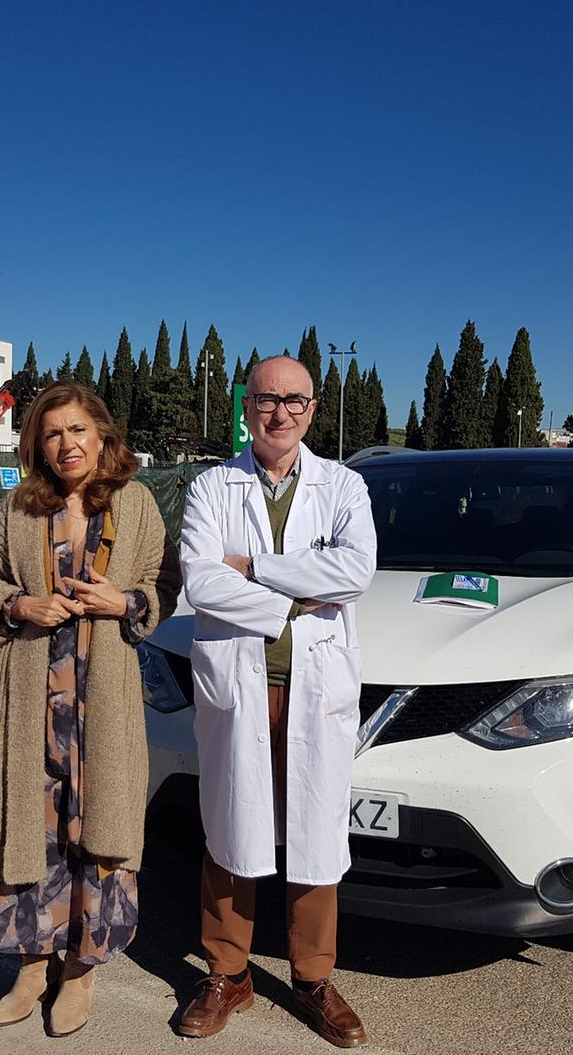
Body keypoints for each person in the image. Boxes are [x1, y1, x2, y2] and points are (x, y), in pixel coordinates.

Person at [0, 381, 179, 1038]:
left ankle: (81, 972)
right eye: (53, 433)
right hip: (30, 698)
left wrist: (127, 604)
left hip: (103, 703)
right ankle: (32, 967)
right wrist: (17, 606)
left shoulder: (136, 503)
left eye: (78, 430)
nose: (67, 444)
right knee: (30, 831)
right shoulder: (19, 507)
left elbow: (164, 583)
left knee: (96, 834)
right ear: (38, 444)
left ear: (102, 435)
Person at [175, 355, 377, 1048]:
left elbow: (356, 571)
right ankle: (228, 973)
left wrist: (254, 569)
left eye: (294, 400)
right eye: (266, 398)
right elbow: (200, 582)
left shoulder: (344, 486)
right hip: (240, 688)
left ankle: (313, 978)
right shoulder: (211, 487)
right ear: (248, 406)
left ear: (312, 409)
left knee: (316, 833)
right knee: (230, 827)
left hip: (314, 688)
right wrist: (299, 594)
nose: (280, 411)